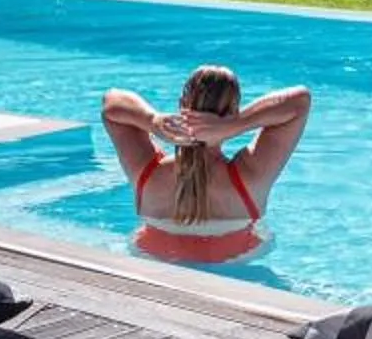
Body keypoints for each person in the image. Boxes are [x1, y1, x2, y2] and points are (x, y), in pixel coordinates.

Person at [101, 65, 311, 265]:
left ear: (181, 104)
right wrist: (236, 125)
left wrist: (152, 120)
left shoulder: (148, 174)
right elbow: (300, 101)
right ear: (234, 110)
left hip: (152, 261)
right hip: (236, 267)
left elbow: (111, 102)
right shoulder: (249, 178)